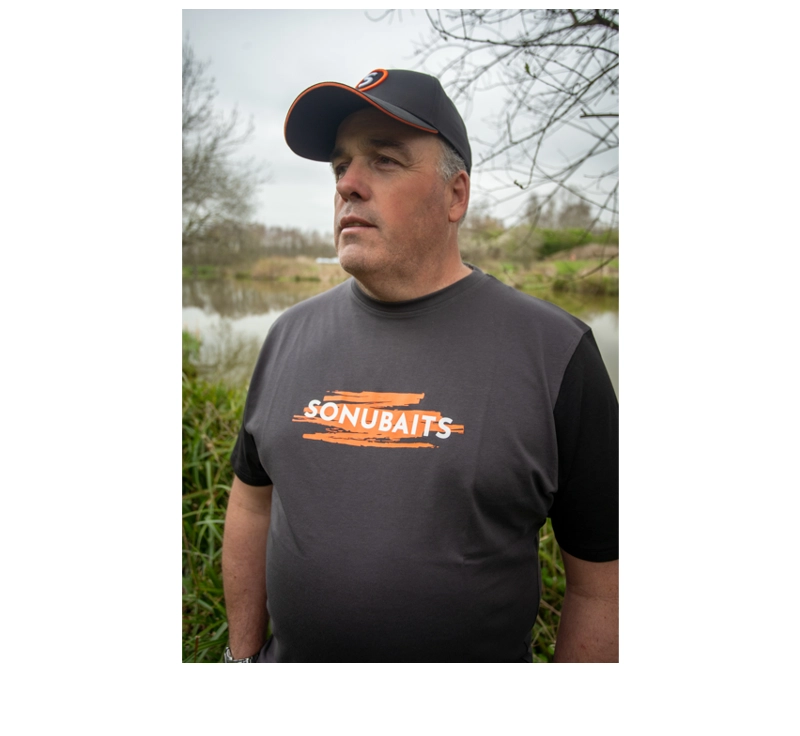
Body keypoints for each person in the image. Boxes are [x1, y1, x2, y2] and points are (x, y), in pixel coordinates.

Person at [221, 68, 618, 663]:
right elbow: (252, 503)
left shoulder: (556, 352)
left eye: (384, 160)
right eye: (340, 166)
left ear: (455, 195)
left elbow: (604, 585)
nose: (348, 184)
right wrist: (241, 659)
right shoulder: (287, 335)